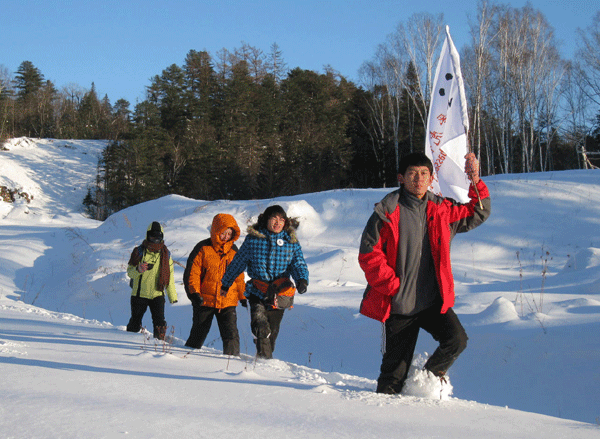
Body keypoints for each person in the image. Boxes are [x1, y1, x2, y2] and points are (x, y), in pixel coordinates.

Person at [358, 152, 491, 394]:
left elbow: (478, 212)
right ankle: (382, 419)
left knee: (456, 340)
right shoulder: (386, 211)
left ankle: (424, 382)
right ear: (401, 177)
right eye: (412, 173)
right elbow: (369, 254)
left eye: (424, 174)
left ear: (431, 179)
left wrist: (474, 180)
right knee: (392, 376)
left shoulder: (442, 210)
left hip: (432, 302)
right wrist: (392, 286)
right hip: (399, 306)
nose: (418, 179)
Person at [220, 205, 309, 359]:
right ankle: (264, 362)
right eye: (274, 218)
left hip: (280, 295)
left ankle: (264, 356)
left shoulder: (291, 241)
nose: (278, 222)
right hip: (257, 291)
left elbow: (298, 263)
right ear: (266, 219)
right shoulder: (254, 239)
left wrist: (302, 279)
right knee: (260, 326)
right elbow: (238, 263)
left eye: (281, 219)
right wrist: (226, 283)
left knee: (272, 333)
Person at [183, 213, 246, 355]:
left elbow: (239, 277)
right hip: (205, 299)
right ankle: (187, 358)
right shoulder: (203, 248)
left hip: (227, 300)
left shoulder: (234, 251)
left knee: (231, 334)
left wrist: (243, 296)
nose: (225, 237)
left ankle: (232, 361)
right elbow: (193, 273)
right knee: (199, 333)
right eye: (223, 232)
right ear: (216, 230)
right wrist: (194, 293)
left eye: (229, 234)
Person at [126, 221, 178, 340]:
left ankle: (159, 346)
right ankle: (127, 342)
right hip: (139, 294)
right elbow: (129, 272)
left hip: (158, 294)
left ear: (162, 237)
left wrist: (172, 296)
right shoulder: (138, 251)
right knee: (135, 322)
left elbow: (169, 277)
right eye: (152, 236)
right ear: (147, 235)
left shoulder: (166, 254)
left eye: (158, 236)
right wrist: (138, 269)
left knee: (159, 323)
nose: (155, 239)